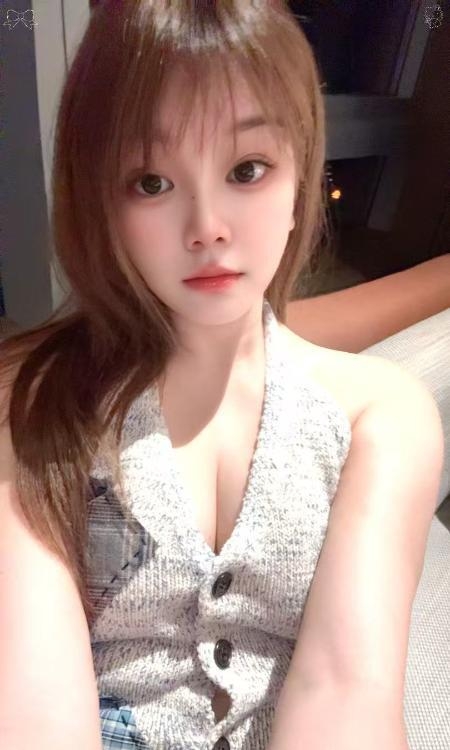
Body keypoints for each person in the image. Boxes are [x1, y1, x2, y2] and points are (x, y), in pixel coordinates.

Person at [0, 2, 444, 750]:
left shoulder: (379, 413)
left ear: (301, 175)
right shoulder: (36, 402)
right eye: (151, 181)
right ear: (98, 198)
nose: (207, 226)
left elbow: (348, 690)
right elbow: (34, 709)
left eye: (247, 169)